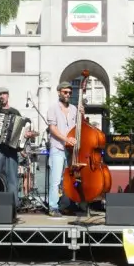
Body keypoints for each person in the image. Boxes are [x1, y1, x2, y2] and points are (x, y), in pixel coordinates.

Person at [0, 88, 34, 209]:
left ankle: (13, 205)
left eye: (3, 94)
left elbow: (22, 132)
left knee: (12, 177)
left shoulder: (15, 112)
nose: (1, 96)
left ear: (8, 95)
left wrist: (26, 135)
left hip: (11, 150)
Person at [46, 82, 79, 218]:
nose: (68, 95)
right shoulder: (53, 108)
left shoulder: (74, 109)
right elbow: (53, 129)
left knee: (69, 179)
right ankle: (53, 207)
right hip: (58, 147)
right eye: (65, 92)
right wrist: (66, 139)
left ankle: (65, 205)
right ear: (59, 92)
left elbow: (78, 127)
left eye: (70, 93)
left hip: (71, 149)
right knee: (56, 180)